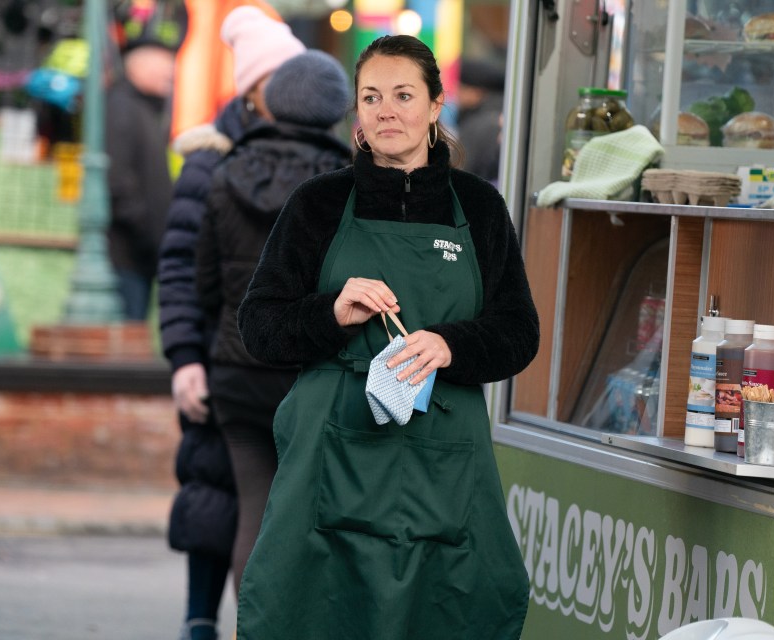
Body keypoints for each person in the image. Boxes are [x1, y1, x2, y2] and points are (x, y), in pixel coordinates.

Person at [235, 35, 540, 640]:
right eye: (371, 97)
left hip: (442, 462)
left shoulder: (478, 208)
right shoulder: (317, 204)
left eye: (403, 95)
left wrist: (451, 345)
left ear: (434, 107)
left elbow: (519, 333)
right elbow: (259, 327)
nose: (386, 110)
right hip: (328, 463)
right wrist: (332, 313)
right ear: (356, 112)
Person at [156, 7, 305, 640]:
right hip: (221, 361)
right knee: (213, 491)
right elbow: (181, 270)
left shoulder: (305, 153)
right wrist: (185, 360)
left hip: (265, 363)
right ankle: (198, 621)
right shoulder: (210, 160)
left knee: (247, 500)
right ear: (253, 89)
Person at [195, 49, 352, 597]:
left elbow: (206, 287)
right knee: (313, 519)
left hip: (236, 372)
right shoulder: (344, 188)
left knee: (252, 512)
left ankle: (250, 630)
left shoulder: (225, 171)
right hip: (309, 375)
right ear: (338, 109)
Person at [105, 33, 178, 320]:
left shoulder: (144, 109)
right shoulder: (122, 108)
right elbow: (118, 182)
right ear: (136, 66)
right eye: (164, 63)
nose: (171, 72)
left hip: (140, 257)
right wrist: (151, 237)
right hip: (128, 257)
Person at [456, 56, 506, 185]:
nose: (457, 94)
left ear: (475, 92)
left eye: (461, 88)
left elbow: (460, 173)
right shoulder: (502, 116)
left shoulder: (476, 125)